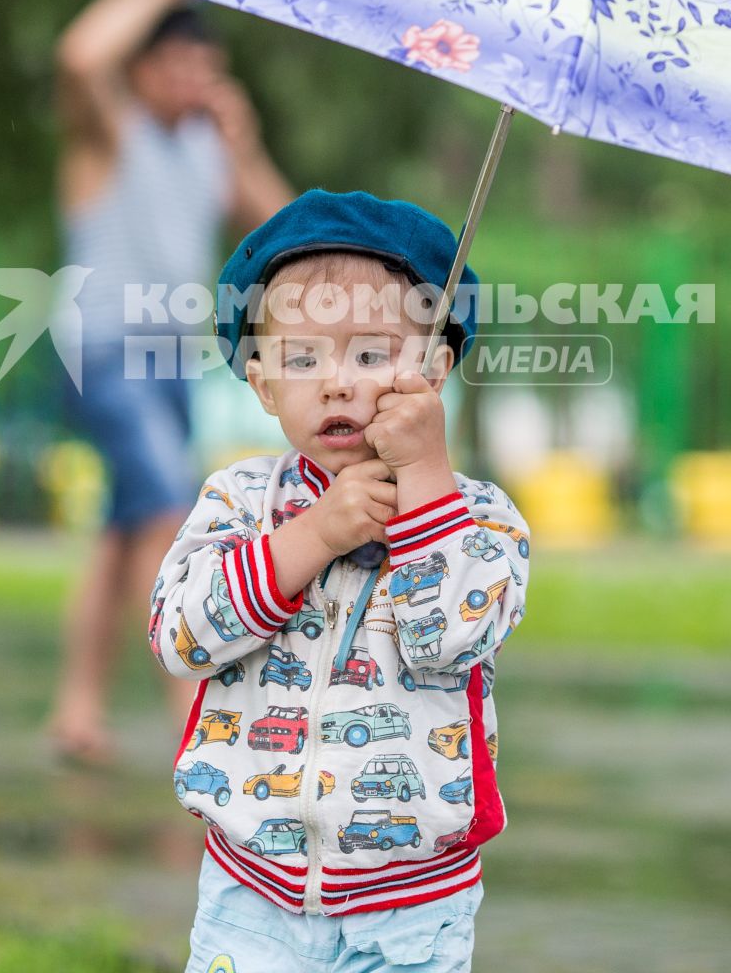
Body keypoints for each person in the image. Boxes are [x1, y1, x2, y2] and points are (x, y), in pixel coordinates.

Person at [147, 189, 531, 972]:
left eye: (370, 353)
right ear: (261, 385)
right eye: (303, 358)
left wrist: (424, 477)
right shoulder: (241, 501)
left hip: (413, 906)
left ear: (437, 369)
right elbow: (180, 637)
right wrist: (315, 535)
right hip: (250, 892)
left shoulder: (483, 520)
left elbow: (446, 639)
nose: (337, 382)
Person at [47, 0, 293, 766]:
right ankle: (196, 717)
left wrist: (243, 144)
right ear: (143, 68)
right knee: (164, 516)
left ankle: (77, 711)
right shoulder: (108, 133)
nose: (192, 79)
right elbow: (79, 56)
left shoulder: (205, 147)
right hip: (102, 351)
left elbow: (284, 227)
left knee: (125, 535)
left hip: (166, 359)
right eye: (178, 62)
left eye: (206, 66)